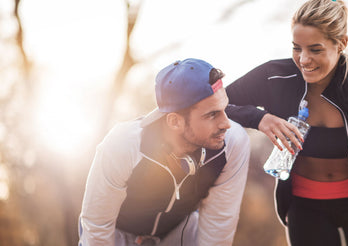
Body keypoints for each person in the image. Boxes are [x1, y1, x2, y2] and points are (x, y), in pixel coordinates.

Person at [225, 0, 348, 245]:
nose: (303, 59)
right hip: (306, 206)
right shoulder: (275, 77)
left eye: (315, 49)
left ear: (340, 43)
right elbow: (215, 104)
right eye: (296, 48)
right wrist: (259, 118)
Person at [78, 58, 250, 246]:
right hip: (118, 235)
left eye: (224, 109)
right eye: (212, 114)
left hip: (180, 233)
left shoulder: (233, 142)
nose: (226, 123)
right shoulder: (124, 144)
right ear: (175, 121)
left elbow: (219, 224)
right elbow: (97, 224)